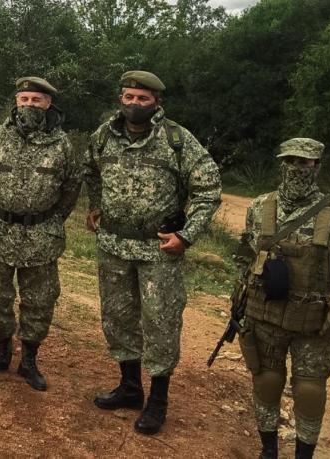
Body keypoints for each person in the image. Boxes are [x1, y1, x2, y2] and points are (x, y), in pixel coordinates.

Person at [84, 70, 221, 434]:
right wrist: (95, 205)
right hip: (113, 245)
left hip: (159, 250)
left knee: (160, 322)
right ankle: (130, 388)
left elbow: (209, 190)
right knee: (118, 317)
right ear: (120, 99)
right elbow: (91, 171)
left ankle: (158, 399)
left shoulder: (177, 139)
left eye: (142, 98)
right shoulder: (104, 135)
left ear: (156, 102)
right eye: (128, 97)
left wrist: (187, 235)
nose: (134, 104)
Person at [235, 138, 330, 459]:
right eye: (291, 161)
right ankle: (268, 450)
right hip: (264, 316)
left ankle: (303, 455)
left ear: (317, 166)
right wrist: (236, 304)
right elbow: (244, 258)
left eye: (305, 162)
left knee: (309, 390)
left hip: (314, 323)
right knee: (266, 382)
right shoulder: (260, 207)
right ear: (281, 163)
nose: (297, 168)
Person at [0, 77, 80, 391]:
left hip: (41, 235)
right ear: (16, 102)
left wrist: (51, 219)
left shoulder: (61, 144)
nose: (29, 105)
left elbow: (71, 188)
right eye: (24, 99)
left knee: (39, 300)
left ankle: (29, 360)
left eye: (36, 100)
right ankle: (2, 352)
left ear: (48, 104)